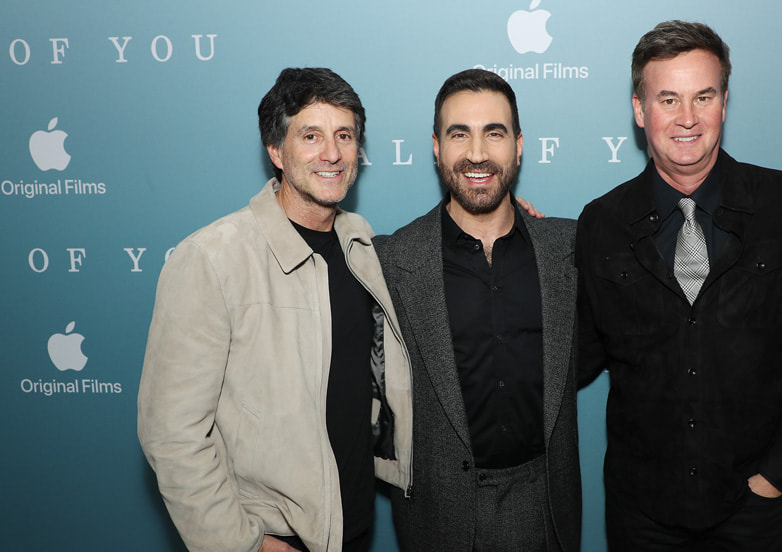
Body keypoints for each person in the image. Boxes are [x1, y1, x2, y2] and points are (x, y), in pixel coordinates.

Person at [575, 21, 782, 551]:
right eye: (668, 98)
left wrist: (777, 475)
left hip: (754, 511)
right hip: (642, 517)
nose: (687, 118)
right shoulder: (602, 223)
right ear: (640, 111)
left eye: (702, 96)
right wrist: (519, 240)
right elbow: (579, 355)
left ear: (724, 103)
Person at [137, 68, 413, 552]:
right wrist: (244, 544)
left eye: (344, 136)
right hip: (273, 538)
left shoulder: (362, 244)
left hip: (352, 527)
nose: (332, 153)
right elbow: (172, 435)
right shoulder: (212, 258)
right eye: (312, 136)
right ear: (276, 152)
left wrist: (508, 218)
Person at [374, 68, 581, 551]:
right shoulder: (389, 261)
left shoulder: (569, 250)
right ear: (436, 147)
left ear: (519, 145)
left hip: (548, 511)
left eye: (495, 133)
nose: (477, 154)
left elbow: (647, 330)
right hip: (437, 518)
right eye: (459, 134)